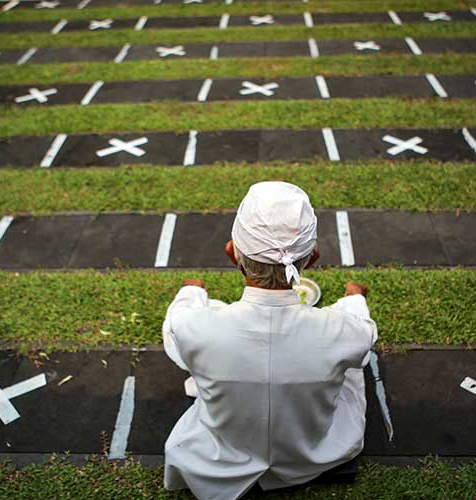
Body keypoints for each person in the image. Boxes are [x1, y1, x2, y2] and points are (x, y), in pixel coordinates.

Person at [162, 181, 378, 500]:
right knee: (353, 369)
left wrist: (191, 290)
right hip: (314, 454)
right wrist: (354, 297)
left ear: (231, 253)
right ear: (313, 257)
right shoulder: (346, 330)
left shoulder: (192, 326)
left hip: (220, 455)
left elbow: (177, 325)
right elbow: (361, 327)